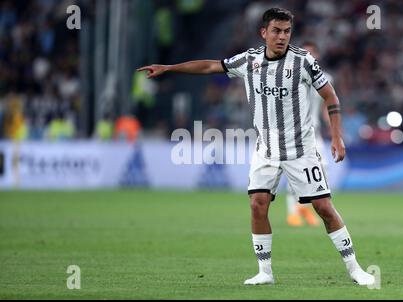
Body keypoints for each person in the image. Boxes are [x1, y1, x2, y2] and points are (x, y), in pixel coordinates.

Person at [137, 7, 375, 286]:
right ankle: (265, 272)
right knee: (257, 204)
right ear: (264, 32)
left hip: (301, 149)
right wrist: (169, 68)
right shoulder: (249, 60)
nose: (282, 37)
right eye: (276, 31)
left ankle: (355, 268)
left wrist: (336, 136)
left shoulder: (304, 61)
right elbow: (211, 66)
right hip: (266, 149)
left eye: (287, 31)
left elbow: (330, 95)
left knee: (323, 207)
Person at [285, 41, 330, 227]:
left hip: (315, 132)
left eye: (312, 52)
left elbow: (325, 105)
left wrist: (335, 129)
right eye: (305, 52)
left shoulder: (325, 78)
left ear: (317, 55)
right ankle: (293, 212)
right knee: (295, 172)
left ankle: (305, 208)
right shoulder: (289, 77)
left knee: (321, 170)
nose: (309, 55)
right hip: (293, 132)